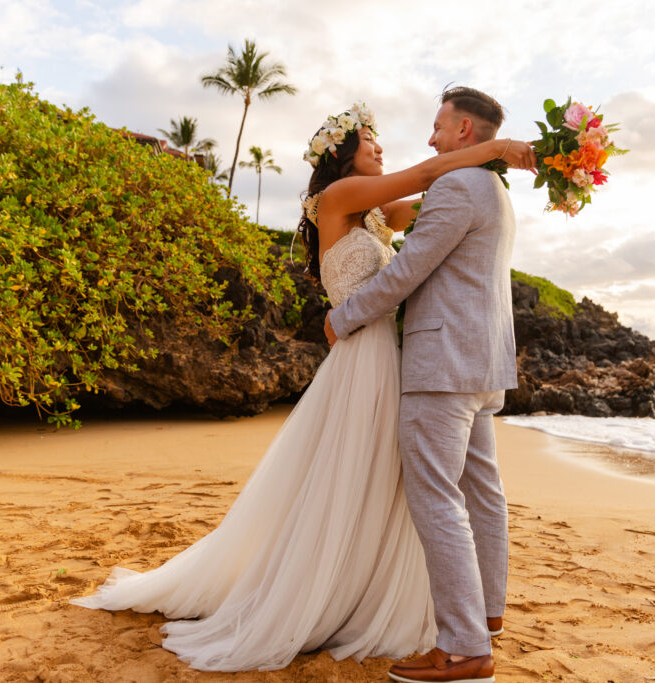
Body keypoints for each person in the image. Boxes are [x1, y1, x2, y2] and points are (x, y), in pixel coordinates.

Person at [69, 99, 535, 674]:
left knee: (415, 487)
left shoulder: (385, 209)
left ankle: (457, 618)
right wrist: (493, 151)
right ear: (342, 156)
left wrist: (492, 160)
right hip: (378, 355)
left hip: (407, 356)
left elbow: (428, 203)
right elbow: (424, 182)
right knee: (370, 479)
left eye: (431, 129)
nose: (384, 146)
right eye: (370, 142)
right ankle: (435, 613)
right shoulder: (336, 199)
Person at [325, 87, 521, 683]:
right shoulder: (494, 189)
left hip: (443, 364)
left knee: (437, 498)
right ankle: (485, 616)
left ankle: (463, 649)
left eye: (438, 126)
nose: (430, 138)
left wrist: (343, 317)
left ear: (464, 130)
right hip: (483, 363)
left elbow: (408, 272)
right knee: (482, 491)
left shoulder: (458, 186)